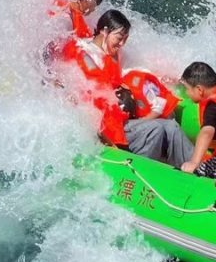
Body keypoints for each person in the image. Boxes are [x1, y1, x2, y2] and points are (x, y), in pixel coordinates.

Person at [65, 11, 194, 167]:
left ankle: (197, 168)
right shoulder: (83, 53)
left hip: (122, 120)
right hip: (104, 127)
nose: (121, 44)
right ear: (104, 31)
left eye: (125, 39)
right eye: (119, 38)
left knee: (171, 126)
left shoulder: (116, 54)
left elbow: (138, 70)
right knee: (155, 129)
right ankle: (138, 170)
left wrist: (164, 79)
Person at [45, 0, 104, 64]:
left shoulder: (70, 12)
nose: (96, 6)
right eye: (97, 0)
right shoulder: (64, 19)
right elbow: (48, 50)